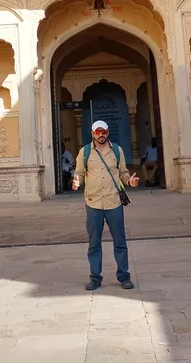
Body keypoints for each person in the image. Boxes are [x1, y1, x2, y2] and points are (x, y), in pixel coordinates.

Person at [72, 120, 140, 291]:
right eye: (98, 132)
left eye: (104, 132)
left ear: (108, 132)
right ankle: (95, 277)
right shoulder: (85, 152)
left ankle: (124, 276)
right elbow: (79, 173)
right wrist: (76, 181)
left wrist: (129, 181)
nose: (101, 135)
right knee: (94, 243)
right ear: (93, 133)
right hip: (93, 202)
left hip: (113, 201)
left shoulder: (117, 150)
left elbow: (123, 172)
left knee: (120, 241)